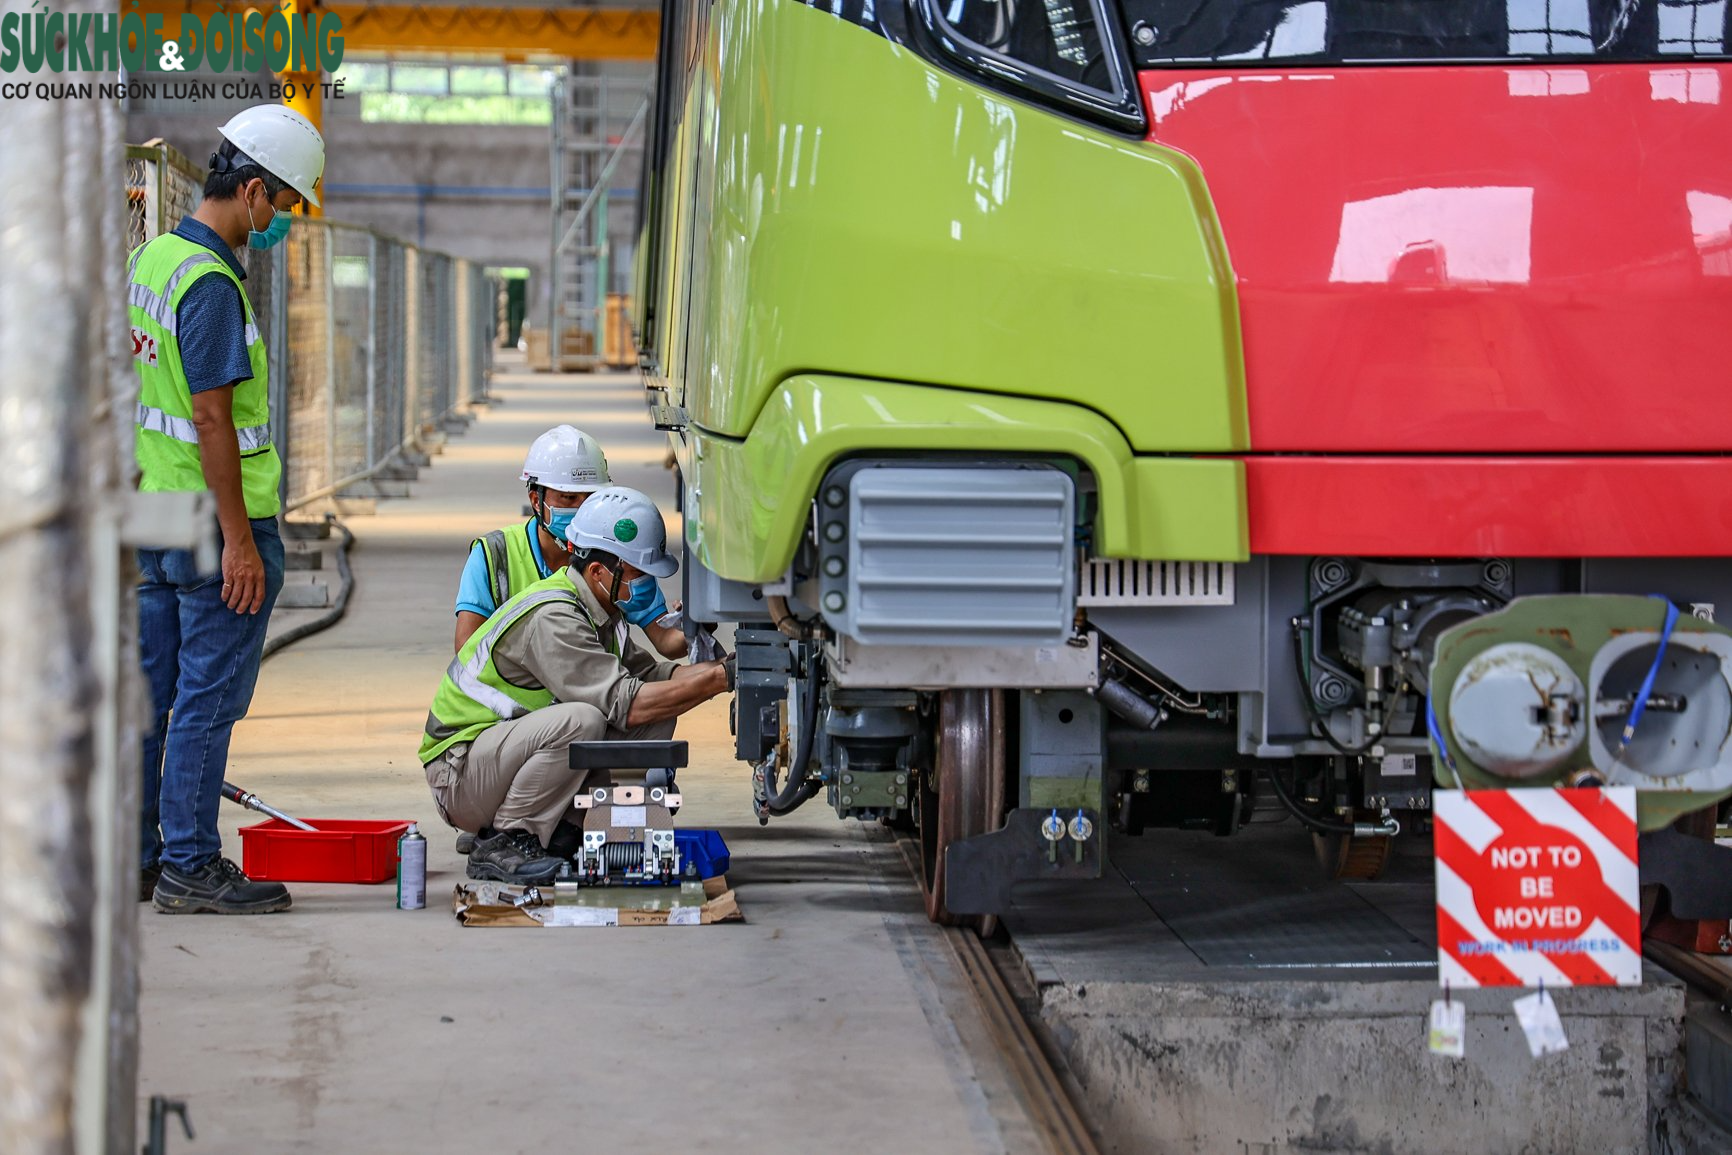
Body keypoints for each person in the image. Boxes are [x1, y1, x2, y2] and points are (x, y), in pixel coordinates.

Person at [132, 104, 324, 914]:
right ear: (250, 191)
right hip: (215, 528)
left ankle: (141, 853)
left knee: (155, 692)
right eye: (279, 204)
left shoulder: (153, 260)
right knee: (206, 700)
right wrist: (241, 542)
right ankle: (190, 862)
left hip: (156, 512)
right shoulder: (210, 283)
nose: (276, 222)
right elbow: (211, 417)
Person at [420, 487, 733, 883]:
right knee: (584, 720)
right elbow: (629, 703)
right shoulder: (556, 616)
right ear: (599, 572)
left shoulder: (600, 612)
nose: (644, 584)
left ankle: (568, 828)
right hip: (460, 772)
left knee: (654, 718)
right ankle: (509, 839)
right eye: (637, 573)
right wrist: (719, 678)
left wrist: (726, 670)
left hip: (497, 758)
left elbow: (650, 680)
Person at [453, 424, 687, 660]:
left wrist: (694, 621)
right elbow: (467, 651)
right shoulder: (495, 555)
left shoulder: (615, 551)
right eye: (569, 498)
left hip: (597, 692)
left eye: (591, 497)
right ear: (536, 500)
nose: (581, 508)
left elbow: (667, 642)